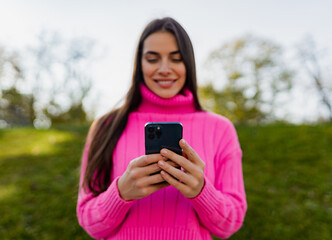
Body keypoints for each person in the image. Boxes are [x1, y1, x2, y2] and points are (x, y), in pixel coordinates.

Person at [77, 17, 247, 240]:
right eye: (152, 59)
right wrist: (121, 193)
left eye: (176, 59)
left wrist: (201, 192)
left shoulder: (220, 129)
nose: (164, 69)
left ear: (188, 64)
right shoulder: (106, 127)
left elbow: (229, 225)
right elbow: (90, 223)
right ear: (140, 65)